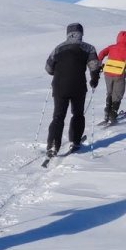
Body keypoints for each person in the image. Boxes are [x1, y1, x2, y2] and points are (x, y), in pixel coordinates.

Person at [45, 22, 101, 155]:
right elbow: (94, 66)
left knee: (58, 116)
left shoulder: (58, 48)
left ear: (67, 33)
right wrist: (94, 79)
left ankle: (53, 144)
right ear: (81, 33)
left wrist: (58, 72)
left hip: (59, 86)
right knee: (77, 114)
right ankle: (75, 141)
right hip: (78, 86)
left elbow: (48, 68)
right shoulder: (89, 48)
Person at [97, 30, 126, 124]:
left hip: (107, 73)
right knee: (118, 95)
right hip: (119, 74)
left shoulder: (112, 47)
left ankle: (107, 111)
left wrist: (99, 63)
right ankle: (113, 114)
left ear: (118, 38)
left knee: (109, 93)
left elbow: (101, 53)